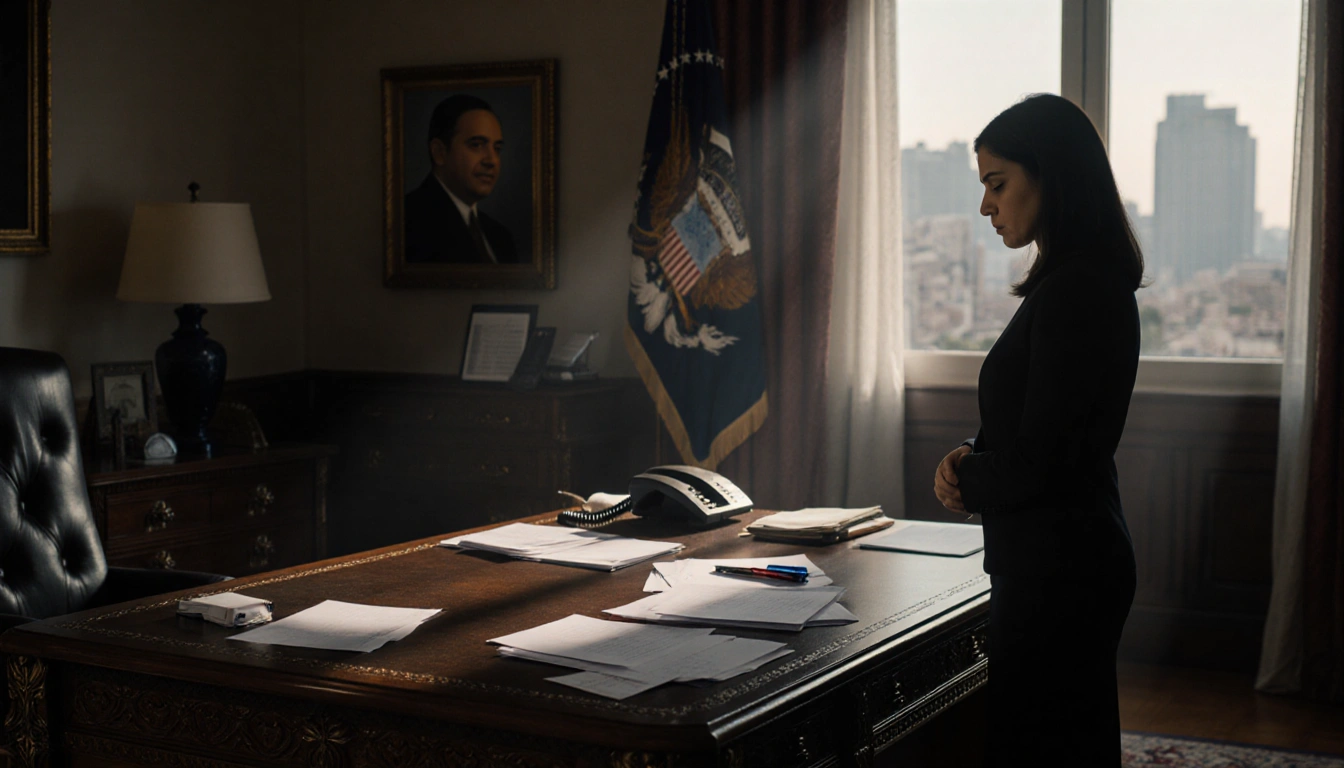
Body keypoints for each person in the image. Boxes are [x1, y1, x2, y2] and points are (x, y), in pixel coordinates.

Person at [933, 94, 1144, 766]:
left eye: (998, 184)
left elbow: (1044, 462)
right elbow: (1043, 422)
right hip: (1062, 563)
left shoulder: (1077, 292)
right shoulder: (1077, 284)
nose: (987, 207)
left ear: (1050, 175)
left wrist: (966, 476)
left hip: (1062, 574)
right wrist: (972, 451)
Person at [404, 94, 521, 264]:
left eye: (497, 148)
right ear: (439, 152)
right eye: (476, 145)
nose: (492, 160)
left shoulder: (500, 237)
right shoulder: (406, 223)